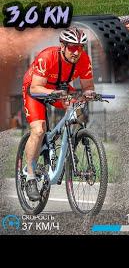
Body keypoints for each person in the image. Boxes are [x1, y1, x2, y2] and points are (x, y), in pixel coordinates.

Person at [21, 27, 96, 202]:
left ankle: (69, 146)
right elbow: (35, 87)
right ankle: (30, 177)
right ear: (62, 46)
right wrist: (54, 93)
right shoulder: (47, 57)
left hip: (59, 88)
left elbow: (88, 87)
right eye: (72, 47)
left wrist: (89, 94)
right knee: (39, 130)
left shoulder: (84, 59)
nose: (76, 52)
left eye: (80, 47)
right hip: (35, 89)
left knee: (77, 108)